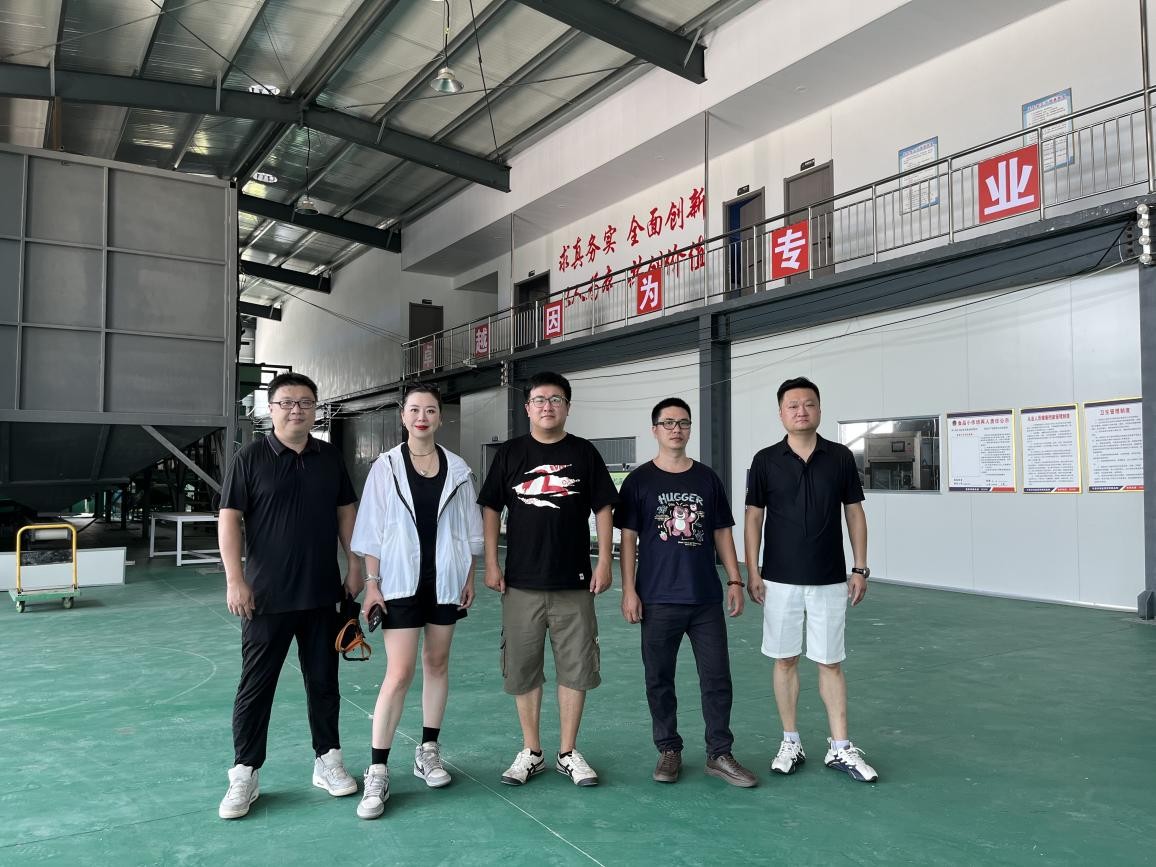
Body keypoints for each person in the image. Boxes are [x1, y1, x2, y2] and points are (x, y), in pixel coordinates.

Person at [218, 372, 362, 820]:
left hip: (321, 594)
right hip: (265, 597)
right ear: (271, 409)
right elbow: (229, 518)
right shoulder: (250, 458)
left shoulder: (329, 457)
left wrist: (355, 564)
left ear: (315, 409)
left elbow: (346, 512)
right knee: (256, 687)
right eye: (287, 402)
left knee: (324, 684)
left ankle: (328, 760)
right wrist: (235, 579)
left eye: (305, 402)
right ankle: (245, 772)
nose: (296, 409)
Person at [350, 384, 484, 820]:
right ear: (403, 416)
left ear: (440, 417)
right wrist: (372, 584)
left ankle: (428, 750)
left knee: (437, 664)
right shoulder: (386, 467)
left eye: (430, 410)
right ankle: (377, 769)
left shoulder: (459, 469)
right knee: (400, 672)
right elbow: (371, 529)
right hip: (399, 582)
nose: (422, 417)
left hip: (444, 581)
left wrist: (468, 576)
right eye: (414, 410)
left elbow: (469, 530)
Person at [478, 371, 617, 787]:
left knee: (576, 668)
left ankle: (568, 752)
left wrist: (604, 562)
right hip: (520, 582)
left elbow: (604, 507)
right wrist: (491, 562)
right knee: (522, 669)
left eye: (556, 399)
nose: (547, 406)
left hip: (574, 583)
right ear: (527, 408)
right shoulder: (510, 454)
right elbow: (490, 508)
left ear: (567, 407)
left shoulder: (584, 453)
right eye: (539, 399)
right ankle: (532, 751)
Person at [616, 398, 758, 788]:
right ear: (655, 430)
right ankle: (668, 749)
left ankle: (719, 753)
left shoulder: (707, 479)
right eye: (668, 423)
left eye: (683, 423)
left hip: (704, 598)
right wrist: (629, 590)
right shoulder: (639, 481)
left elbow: (722, 532)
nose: (676, 429)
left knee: (717, 678)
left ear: (690, 429)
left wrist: (734, 580)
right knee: (659, 678)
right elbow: (627, 540)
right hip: (657, 597)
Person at [743, 376, 878, 783]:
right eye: (793, 405)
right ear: (781, 413)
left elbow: (854, 511)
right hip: (779, 579)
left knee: (830, 661)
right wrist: (753, 570)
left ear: (819, 409)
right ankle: (791, 741)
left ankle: (840, 746)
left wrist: (860, 567)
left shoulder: (840, 457)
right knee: (785, 659)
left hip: (830, 578)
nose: (801, 411)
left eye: (809, 404)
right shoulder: (765, 460)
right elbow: (754, 517)